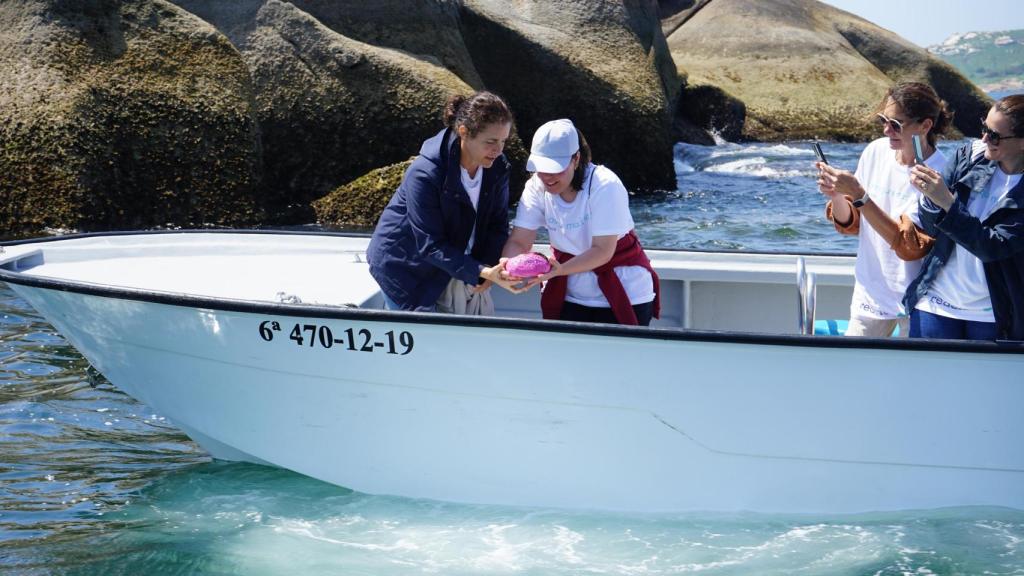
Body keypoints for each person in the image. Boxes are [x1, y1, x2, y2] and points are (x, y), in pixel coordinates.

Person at [816, 82, 952, 337]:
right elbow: (853, 225)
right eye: (884, 120)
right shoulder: (875, 152)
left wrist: (858, 194)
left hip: (920, 300)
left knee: (910, 376)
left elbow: (908, 245)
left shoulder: (939, 174)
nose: (886, 129)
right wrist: (836, 195)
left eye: (896, 124)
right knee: (856, 372)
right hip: (870, 293)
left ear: (925, 126)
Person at [496, 119, 660, 326]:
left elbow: (603, 250)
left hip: (624, 290)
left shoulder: (604, 185)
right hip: (571, 293)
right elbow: (519, 241)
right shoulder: (535, 187)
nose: (547, 177)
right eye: (541, 168)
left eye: (556, 169)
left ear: (576, 159)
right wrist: (507, 265)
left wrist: (559, 270)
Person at [366, 91, 520, 312]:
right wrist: (481, 270)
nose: (498, 150)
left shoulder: (497, 167)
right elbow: (430, 245)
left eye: (504, 141)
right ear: (464, 132)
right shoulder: (425, 173)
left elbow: (497, 225)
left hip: (448, 265)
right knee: (421, 337)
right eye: (491, 141)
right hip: (403, 266)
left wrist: (488, 266)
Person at [904, 95, 1024, 341]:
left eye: (994, 136)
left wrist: (946, 201)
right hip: (935, 301)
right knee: (925, 379)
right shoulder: (968, 157)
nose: (983, 139)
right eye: (984, 128)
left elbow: (993, 246)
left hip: (995, 313)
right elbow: (931, 227)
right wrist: (929, 197)